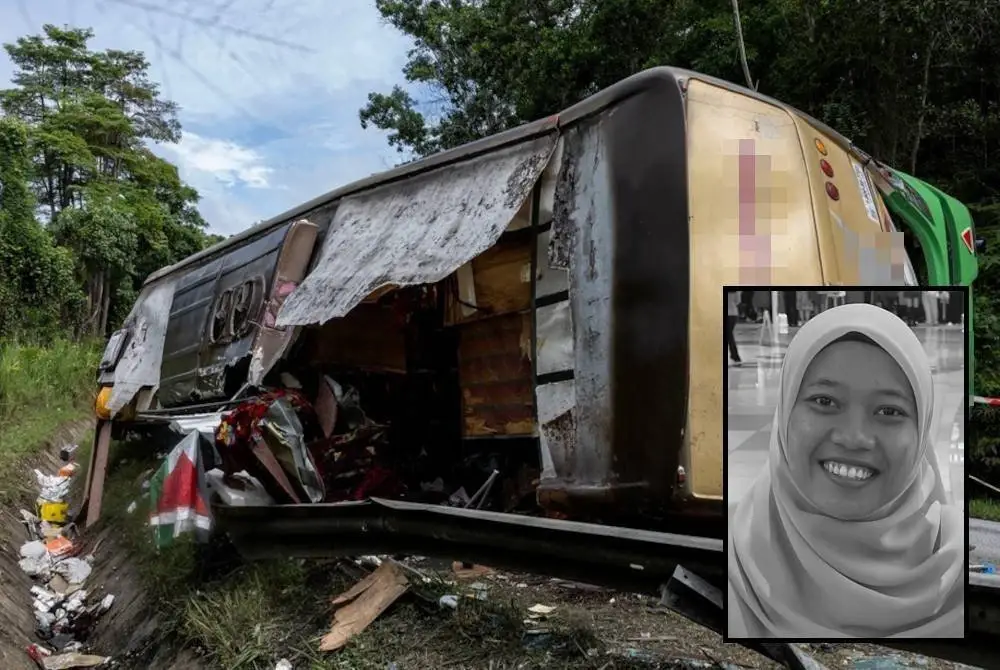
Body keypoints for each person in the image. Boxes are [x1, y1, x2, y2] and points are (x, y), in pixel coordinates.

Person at [727, 303, 963, 638]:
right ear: (785, 413)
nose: (854, 438)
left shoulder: (962, 578)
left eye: (889, 411)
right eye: (825, 401)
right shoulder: (727, 560)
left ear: (922, 430)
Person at [726, 291, 742, 366]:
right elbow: (738, 301)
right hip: (734, 313)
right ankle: (734, 356)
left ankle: (735, 356)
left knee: (729, 336)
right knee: (729, 336)